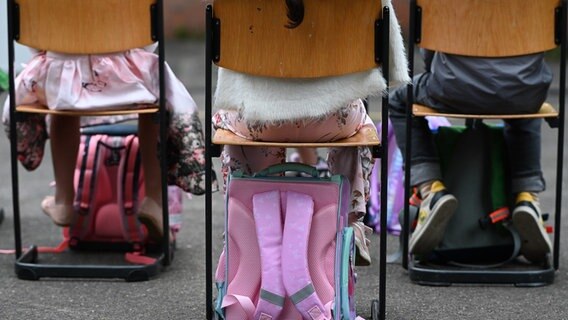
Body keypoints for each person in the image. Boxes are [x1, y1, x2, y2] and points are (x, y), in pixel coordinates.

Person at [213, 0, 410, 265]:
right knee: (362, 127)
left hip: (260, 120)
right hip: (331, 119)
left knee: (228, 122)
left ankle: (247, 227)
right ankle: (350, 223)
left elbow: (227, 67)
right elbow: (392, 61)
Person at [2, 44, 207, 243]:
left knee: (61, 87)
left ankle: (63, 200)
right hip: (126, 77)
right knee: (155, 96)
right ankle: (153, 199)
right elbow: (148, 38)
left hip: (60, 74)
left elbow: (32, 38)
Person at [388, 48, 553, 263]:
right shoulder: (535, 10)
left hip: (453, 87)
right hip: (523, 88)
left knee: (399, 101)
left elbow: (427, 46)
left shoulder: (445, 10)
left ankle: (431, 190)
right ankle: (527, 197)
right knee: (525, 103)